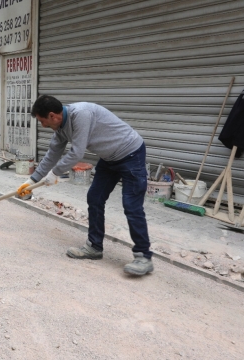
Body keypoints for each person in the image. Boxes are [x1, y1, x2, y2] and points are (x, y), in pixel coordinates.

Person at [17, 95, 153, 276]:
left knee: (131, 205)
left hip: (131, 154)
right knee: (95, 197)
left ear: (53, 116)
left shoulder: (81, 114)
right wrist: (32, 181)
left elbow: (77, 152)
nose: (43, 126)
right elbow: (52, 154)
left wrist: (55, 173)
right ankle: (94, 247)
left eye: (43, 122)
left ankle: (143, 256)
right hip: (109, 158)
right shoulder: (60, 128)